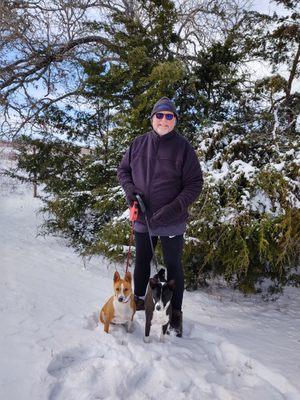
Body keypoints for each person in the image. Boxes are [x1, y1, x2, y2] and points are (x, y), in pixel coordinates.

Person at [117, 97, 203, 337]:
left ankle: (175, 315)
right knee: (142, 261)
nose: (163, 120)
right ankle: (139, 304)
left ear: (175, 120)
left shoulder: (183, 147)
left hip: (172, 220)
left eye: (169, 116)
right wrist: (130, 190)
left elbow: (195, 184)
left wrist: (174, 208)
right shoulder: (138, 144)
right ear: (152, 118)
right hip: (143, 217)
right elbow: (123, 170)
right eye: (159, 115)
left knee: (174, 267)